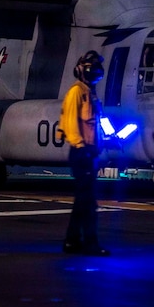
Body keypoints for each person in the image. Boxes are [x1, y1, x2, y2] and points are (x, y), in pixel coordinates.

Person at [58, 50, 110, 256]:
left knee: (83, 201)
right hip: (81, 154)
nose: (95, 73)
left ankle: (72, 242)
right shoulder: (76, 92)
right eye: (92, 69)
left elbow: (98, 124)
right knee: (88, 203)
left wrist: (109, 139)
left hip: (89, 153)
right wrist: (81, 148)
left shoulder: (91, 94)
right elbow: (70, 124)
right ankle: (89, 244)